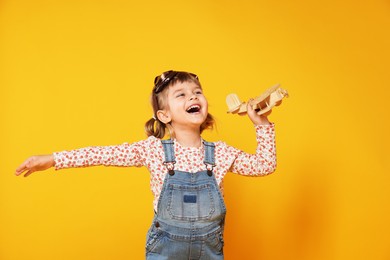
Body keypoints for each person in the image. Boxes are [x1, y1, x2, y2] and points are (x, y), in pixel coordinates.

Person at [15, 70, 277, 260]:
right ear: (164, 115)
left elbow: (264, 165)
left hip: (207, 253)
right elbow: (101, 154)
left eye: (197, 92)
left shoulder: (220, 152)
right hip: (164, 251)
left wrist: (261, 124)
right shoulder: (152, 149)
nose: (192, 97)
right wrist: (52, 159)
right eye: (181, 94)